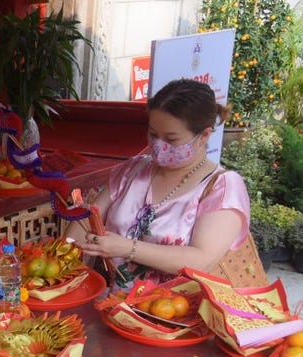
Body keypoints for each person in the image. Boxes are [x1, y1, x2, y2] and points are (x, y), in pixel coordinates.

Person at [64, 78, 251, 290]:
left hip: (173, 315)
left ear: (204, 135)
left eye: (171, 140)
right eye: (153, 135)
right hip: (115, 307)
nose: (158, 146)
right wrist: (65, 257)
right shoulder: (133, 171)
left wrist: (128, 248)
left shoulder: (221, 187)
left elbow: (202, 260)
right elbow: (88, 220)